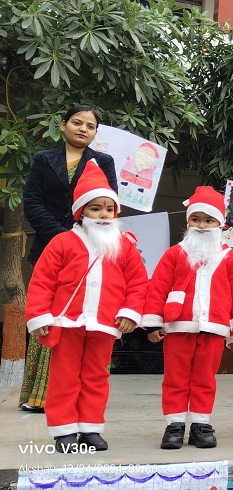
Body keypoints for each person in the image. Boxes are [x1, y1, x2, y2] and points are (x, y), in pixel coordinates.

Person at [25, 161, 145, 452]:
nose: (104, 214)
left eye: (109, 209)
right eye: (95, 208)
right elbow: (42, 280)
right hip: (67, 322)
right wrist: (39, 315)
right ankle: (65, 431)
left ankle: (90, 428)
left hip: (105, 323)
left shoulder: (124, 246)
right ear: (81, 212)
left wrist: (130, 311)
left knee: (97, 376)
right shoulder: (62, 242)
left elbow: (138, 282)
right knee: (64, 377)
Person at [21, 105, 118, 413]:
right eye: (77, 122)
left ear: (95, 132)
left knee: (84, 317)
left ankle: (82, 396)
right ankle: (40, 396)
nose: (83, 129)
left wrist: (82, 238)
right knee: (48, 315)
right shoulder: (43, 159)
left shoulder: (103, 162)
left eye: (90, 126)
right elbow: (32, 201)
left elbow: (108, 203)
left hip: (92, 250)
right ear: (63, 125)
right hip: (51, 247)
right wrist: (63, 237)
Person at [143, 186, 233, 449]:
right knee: (175, 377)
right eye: (196, 219)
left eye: (208, 220)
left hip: (214, 328)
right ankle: (174, 424)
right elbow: (157, 287)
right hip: (177, 327)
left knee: (205, 379)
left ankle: (200, 424)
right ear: (188, 221)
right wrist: (152, 322)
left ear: (220, 224)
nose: (202, 226)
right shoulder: (173, 254)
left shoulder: (230, 259)